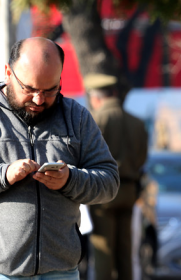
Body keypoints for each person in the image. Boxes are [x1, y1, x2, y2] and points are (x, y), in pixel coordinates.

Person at [0, 37, 119, 279]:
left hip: (63, 271)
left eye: (50, 90)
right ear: (8, 73)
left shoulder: (77, 117)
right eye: (29, 89)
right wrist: (5, 175)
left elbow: (109, 182)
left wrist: (70, 180)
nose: (38, 100)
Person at [84, 73, 148, 280]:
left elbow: (85, 158)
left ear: (96, 98)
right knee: (125, 251)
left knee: (103, 249)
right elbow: (142, 158)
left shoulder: (95, 120)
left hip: (102, 193)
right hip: (129, 191)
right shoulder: (137, 122)